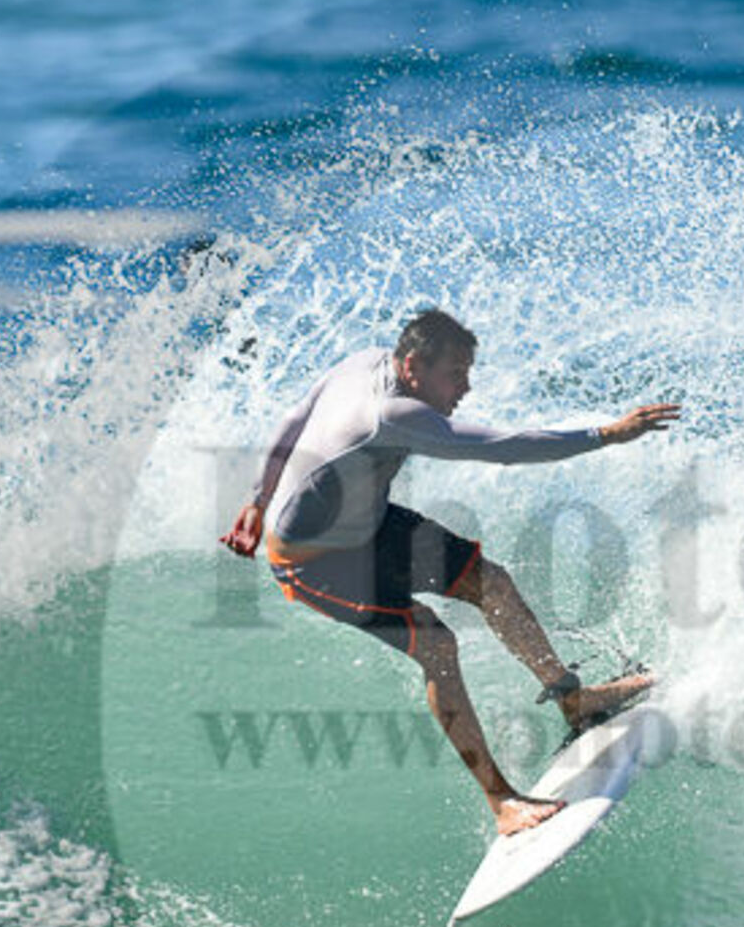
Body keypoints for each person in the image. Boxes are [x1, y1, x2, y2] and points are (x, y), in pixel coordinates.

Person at [220, 309, 679, 835]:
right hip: (314, 561)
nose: (465, 387)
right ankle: (502, 803)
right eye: (455, 374)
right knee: (436, 645)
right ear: (412, 366)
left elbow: (295, 416)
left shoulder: (366, 361)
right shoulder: (392, 415)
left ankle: (575, 701)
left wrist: (257, 499)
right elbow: (506, 449)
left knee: (491, 583)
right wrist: (606, 434)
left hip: (368, 523)